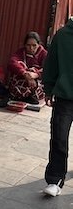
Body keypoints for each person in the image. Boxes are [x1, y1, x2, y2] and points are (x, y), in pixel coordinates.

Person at [42, 17, 73, 196]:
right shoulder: (62, 36)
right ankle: (55, 180)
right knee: (59, 139)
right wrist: (48, 88)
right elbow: (51, 64)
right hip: (65, 98)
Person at [7, 31, 47, 104]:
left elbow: (48, 70)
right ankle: (24, 96)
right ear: (25, 45)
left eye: (34, 45)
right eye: (28, 45)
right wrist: (25, 74)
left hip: (36, 82)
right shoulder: (21, 52)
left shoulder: (44, 54)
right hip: (22, 80)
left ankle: (27, 96)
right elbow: (12, 62)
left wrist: (35, 74)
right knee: (20, 65)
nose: (31, 48)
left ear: (39, 44)